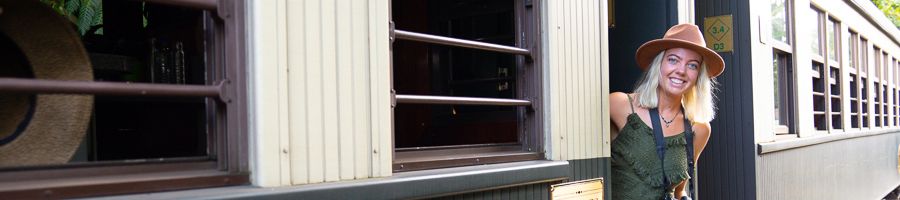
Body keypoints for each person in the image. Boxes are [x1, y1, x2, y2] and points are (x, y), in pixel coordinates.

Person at [609, 24, 724, 199]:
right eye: (673, 60)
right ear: (659, 64)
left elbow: (679, 192)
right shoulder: (619, 104)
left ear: (698, 76)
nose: (681, 71)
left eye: (692, 65)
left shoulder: (699, 129)